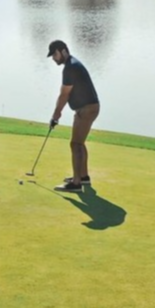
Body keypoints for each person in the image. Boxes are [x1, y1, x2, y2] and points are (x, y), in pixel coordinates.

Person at [46, 39, 100, 193]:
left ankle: (76, 183)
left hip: (87, 109)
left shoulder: (70, 67)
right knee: (79, 143)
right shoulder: (72, 65)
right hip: (88, 108)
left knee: (75, 144)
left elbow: (64, 95)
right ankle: (83, 177)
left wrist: (56, 115)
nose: (53, 59)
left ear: (63, 51)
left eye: (54, 54)